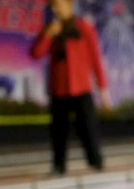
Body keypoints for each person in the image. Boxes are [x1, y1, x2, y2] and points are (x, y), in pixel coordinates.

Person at [30, 0, 111, 176]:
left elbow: (95, 59)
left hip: (81, 87)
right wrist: (48, 35)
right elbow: (36, 54)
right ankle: (59, 166)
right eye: (52, 5)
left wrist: (103, 88)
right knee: (58, 131)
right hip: (59, 89)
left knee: (88, 127)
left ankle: (96, 162)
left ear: (69, 5)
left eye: (57, 4)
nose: (54, 8)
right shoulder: (52, 28)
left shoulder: (84, 28)